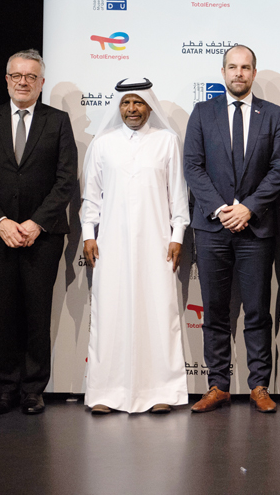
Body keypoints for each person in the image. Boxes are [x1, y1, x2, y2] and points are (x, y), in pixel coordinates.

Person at [0, 49, 78, 415]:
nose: (23, 82)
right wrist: (1, 222)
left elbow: (65, 182)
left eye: (31, 76)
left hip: (41, 236)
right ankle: (5, 388)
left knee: (36, 312)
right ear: (7, 80)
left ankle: (33, 389)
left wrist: (34, 222)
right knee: (2, 313)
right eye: (17, 76)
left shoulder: (58, 121)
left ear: (41, 83)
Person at [183, 45, 280, 413]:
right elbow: (193, 167)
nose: (239, 73)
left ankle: (259, 385)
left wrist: (248, 208)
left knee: (258, 310)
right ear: (223, 71)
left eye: (245, 68)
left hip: (255, 228)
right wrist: (220, 209)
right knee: (214, 310)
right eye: (233, 67)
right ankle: (218, 385)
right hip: (212, 229)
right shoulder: (202, 113)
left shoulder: (273, 115)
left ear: (254, 73)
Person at [80, 79, 191, 414]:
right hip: (110, 245)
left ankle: (161, 393)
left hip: (157, 244)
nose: (132, 109)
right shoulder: (103, 144)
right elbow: (91, 197)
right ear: (118, 106)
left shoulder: (167, 142)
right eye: (126, 103)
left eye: (138, 103)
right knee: (110, 315)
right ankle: (105, 393)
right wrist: (88, 233)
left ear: (149, 106)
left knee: (157, 314)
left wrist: (177, 236)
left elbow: (178, 195)